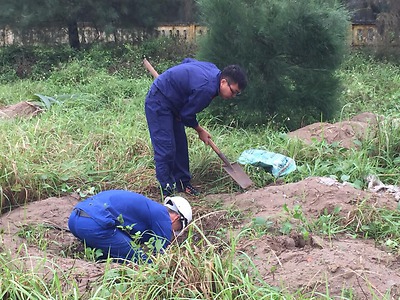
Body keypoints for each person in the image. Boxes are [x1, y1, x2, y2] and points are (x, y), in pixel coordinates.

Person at [145, 58, 247, 197]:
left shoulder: (214, 70)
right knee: (166, 149)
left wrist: (177, 83)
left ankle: (183, 184)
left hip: (175, 104)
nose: (233, 96)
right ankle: (167, 193)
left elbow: (187, 61)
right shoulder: (206, 89)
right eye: (233, 91)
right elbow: (187, 115)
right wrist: (200, 130)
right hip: (159, 101)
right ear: (223, 82)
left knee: (180, 146)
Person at [68, 190, 192, 263]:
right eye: (177, 228)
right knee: (145, 263)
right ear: (176, 218)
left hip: (75, 220)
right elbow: (161, 257)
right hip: (94, 223)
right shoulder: (163, 216)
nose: (173, 232)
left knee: (109, 256)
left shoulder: (149, 208)